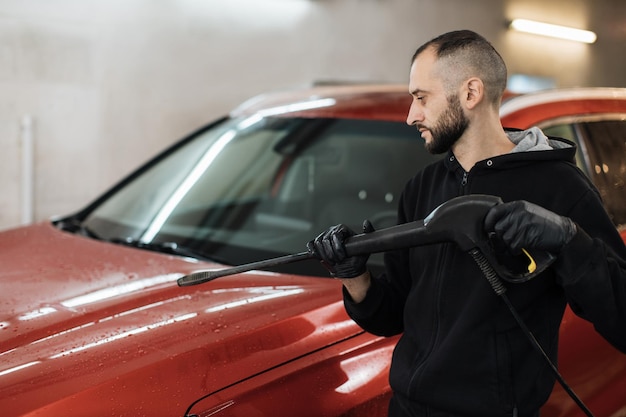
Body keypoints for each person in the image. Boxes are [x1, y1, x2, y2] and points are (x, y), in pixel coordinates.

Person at [308, 30, 626, 417]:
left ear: (471, 94)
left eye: (421, 98)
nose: (411, 116)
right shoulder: (420, 187)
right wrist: (355, 278)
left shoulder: (560, 189)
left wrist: (569, 239)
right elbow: (394, 315)